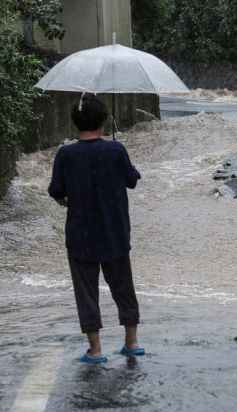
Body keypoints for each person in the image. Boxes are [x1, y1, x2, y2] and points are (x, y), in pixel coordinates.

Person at [48, 93, 144, 364]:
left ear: (75, 123)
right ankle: (132, 341)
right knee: (123, 286)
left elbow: (56, 191)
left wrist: (66, 203)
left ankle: (96, 350)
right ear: (104, 121)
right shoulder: (116, 150)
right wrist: (127, 162)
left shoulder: (66, 154)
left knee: (86, 292)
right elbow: (132, 180)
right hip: (115, 231)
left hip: (81, 235)